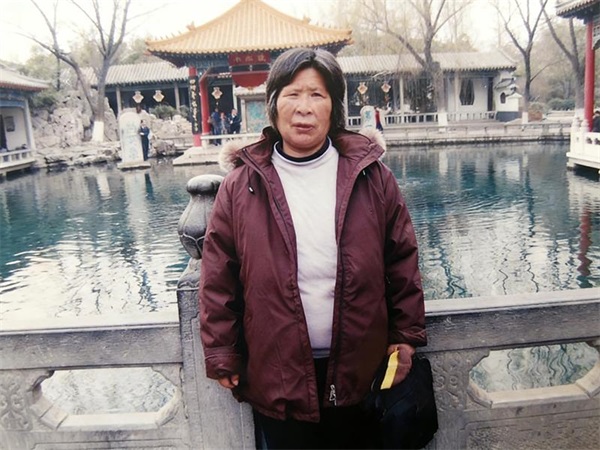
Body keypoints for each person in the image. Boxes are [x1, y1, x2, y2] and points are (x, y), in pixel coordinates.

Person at [199, 47, 426, 449]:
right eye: (292, 94)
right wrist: (222, 351)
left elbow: (402, 260)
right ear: (273, 105)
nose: (304, 108)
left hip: (362, 368)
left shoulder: (372, 177)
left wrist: (405, 335)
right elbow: (219, 277)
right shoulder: (241, 186)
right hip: (277, 372)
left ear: (334, 107)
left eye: (317, 95)